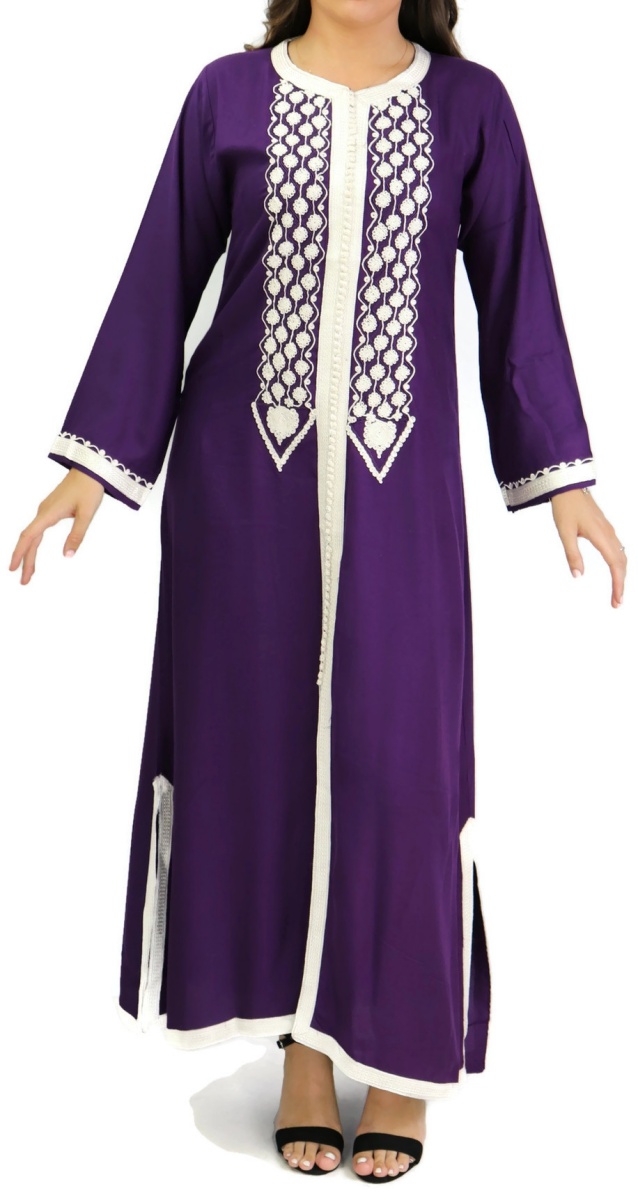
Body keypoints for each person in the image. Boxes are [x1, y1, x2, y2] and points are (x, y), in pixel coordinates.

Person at [9, 0, 627, 1185]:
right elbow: (157, 284)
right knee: (262, 762)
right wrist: (91, 469)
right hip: (238, 495)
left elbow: (518, 299)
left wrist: (564, 482)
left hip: (402, 504)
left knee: (403, 769)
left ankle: (398, 1062)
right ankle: (301, 1044)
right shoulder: (227, 95)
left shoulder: (469, 108)